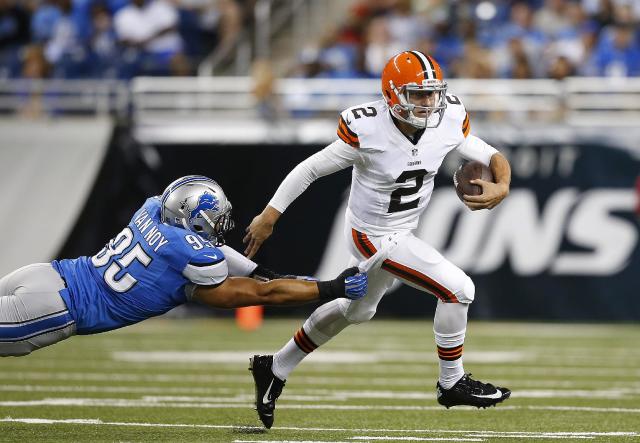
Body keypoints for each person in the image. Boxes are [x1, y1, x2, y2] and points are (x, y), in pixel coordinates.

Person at [244, 51, 513, 429]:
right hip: (372, 234)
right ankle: (451, 382)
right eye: (417, 95)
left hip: (403, 229)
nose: (427, 102)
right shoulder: (367, 129)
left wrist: (502, 184)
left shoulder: (448, 118)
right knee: (458, 289)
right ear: (392, 95)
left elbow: (491, 153)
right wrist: (269, 216)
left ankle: (275, 366)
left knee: (359, 310)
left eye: (432, 93)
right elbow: (310, 169)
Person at [0, 175, 368, 357]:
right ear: (193, 219)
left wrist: (255, 271)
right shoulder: (191, 255)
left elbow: (234, 266)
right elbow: (263, 293)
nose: (220, 225)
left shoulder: (151, 210)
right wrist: (330, 288)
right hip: (58, 308)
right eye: (213, 217)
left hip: (45, 274)